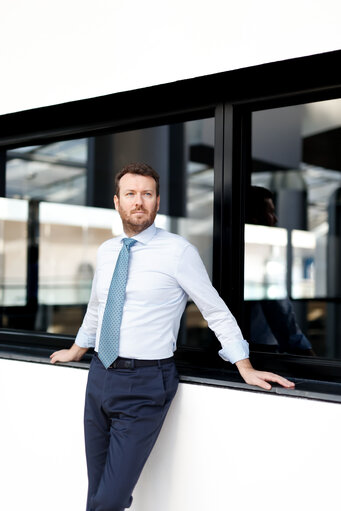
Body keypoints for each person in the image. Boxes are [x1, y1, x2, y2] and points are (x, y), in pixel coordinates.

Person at [50, 164, 295, 511]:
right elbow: (97, 307)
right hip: (99, 375)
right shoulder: (107, 251)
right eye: (131, 194)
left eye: (147, 194)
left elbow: (216, 310)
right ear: (117, 202)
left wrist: (244, 365)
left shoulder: (178, 252)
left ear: (157, 202)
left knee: (109, 499)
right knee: (96, 492)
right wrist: (77, 349)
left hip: (145, 380)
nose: (139, 202)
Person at [245, 186, 314, 355]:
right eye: (270, 212)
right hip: (260, 350)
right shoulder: (259, 255)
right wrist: (307, 354)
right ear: (254, 217)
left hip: (236, 348)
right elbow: (280, 313)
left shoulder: (223, 252)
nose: (275, 219)